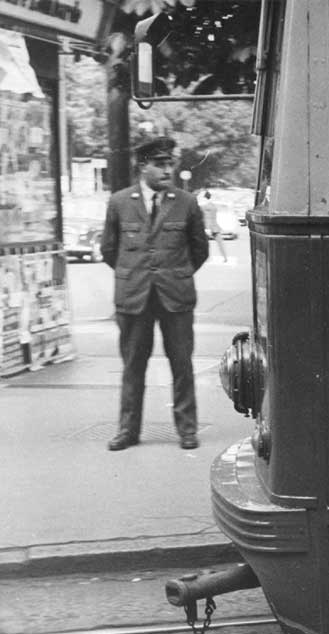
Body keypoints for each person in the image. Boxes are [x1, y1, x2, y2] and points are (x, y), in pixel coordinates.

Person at [100, 137, 209, 451]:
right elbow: (109, 249)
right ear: (142, 166)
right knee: (133, 366)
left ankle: (187, 430)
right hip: (134, 297)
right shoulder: (120, 202)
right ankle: (127, 431)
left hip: (175, 296)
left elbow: (198, 250)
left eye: (170, 164)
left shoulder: (186, 202)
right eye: (159, 164)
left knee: (182, 365)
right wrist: (137, 274)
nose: (167, 170)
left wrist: (175, 274)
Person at [200, 190, 227, 262]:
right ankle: (225, 257)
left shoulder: (205, 206)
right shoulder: (212, 205)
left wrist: (207, 228)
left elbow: (208, 217)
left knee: (204, 244)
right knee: (220, 243)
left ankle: (205, 258)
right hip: (215, 227)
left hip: (208, 227)